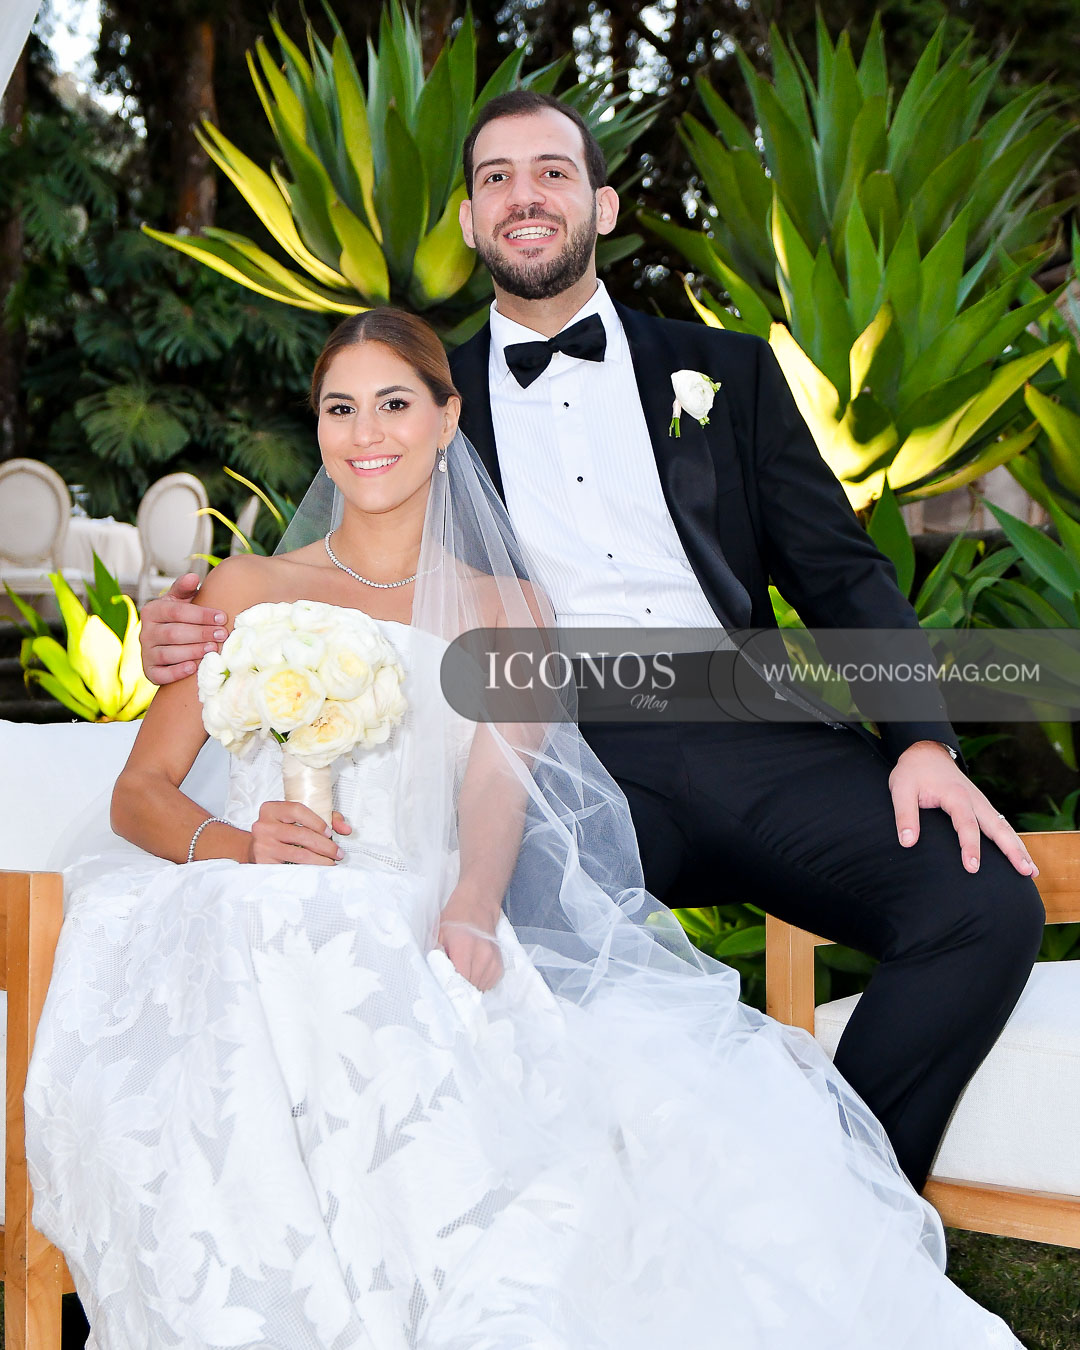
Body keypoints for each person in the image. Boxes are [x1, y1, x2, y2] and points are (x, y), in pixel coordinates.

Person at [27, 307, 1021, 1348]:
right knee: (277, 932)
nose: (366, 432)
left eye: (394, 404)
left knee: (440, 990)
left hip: (476, 851)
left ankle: (821, 1233)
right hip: (254, 885)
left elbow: (500, 783)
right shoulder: (246, 588)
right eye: (339, 409)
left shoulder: (512, 602)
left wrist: (471, 902)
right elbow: (142, 791)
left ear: (446, 420)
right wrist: (239, 845)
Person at [140, 90, 1045, 1195]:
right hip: (552, 757)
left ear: (602, 207)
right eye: (496, 178)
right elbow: (341, 576)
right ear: (470, 223)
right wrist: (191, 629)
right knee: (496, 972)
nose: (524, 195)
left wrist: (922, 741)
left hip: (748, 731)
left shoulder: (728, 373)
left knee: (982, 904)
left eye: (552, 172)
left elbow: (842, 574)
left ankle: (841, 1200)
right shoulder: (419, 399)